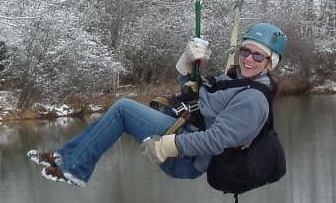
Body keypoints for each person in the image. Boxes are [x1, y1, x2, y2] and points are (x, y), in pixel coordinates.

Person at [27, 23, 287, 187]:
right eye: (245, 52)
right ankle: (67, 157)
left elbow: (217, 140)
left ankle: (76, 169)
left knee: (123, 110)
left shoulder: (252, 100)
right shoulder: (233, 80)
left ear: (270, 62)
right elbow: (194, 95)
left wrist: (167, 146)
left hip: (188, 157)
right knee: (123, 111)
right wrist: (186, 64)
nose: (248, 60)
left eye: (257, 55)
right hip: (185, 135)